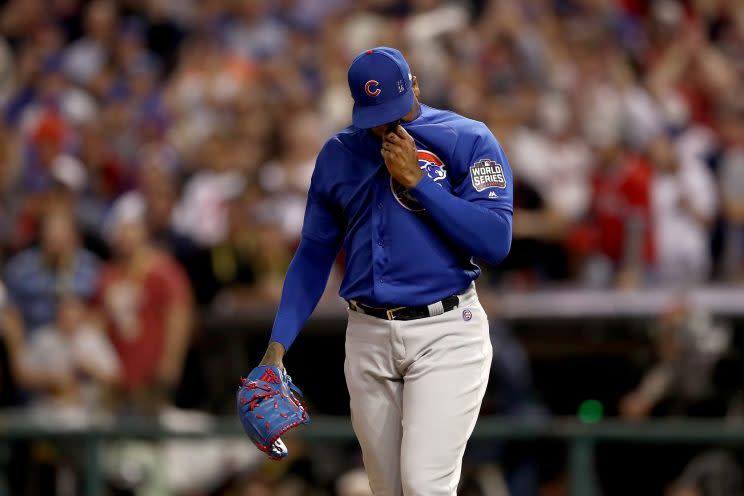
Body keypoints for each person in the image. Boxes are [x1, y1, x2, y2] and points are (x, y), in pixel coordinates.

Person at [253, 47, 513, 495]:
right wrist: (277, 347)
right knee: (386, 488)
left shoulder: (466, 138)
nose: (387, 123)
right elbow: (313, 255)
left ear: (414, 86)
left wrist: (420, 184)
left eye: (395, 108)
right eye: (375, 114)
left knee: (424, 485)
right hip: (367, 334)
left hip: (447, 330)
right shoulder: (338, 154)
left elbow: (495, 241)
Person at [96, 193, 193, 413]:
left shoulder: (163, 271)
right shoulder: (109, 273)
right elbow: (100, 318)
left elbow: (178, 314)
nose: (125, 236)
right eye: (120, 230)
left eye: (130, 229)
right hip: (117, 373)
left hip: (152, 370)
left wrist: (171, 362)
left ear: (143, 232)